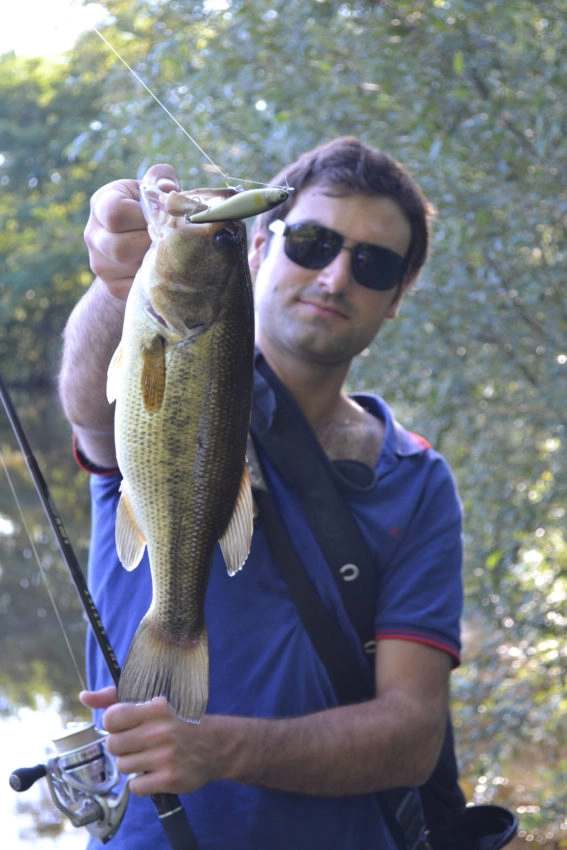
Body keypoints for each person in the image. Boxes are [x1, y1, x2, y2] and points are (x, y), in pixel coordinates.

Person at [59, 136, 463, 850]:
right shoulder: (157, 335)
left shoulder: (417, 480)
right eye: (310, 241)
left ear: (398, 295)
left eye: (373, 263)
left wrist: (221, 750)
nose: (335, 276)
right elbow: (92, 406)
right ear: (256, 250)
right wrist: (115, 284)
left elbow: (411, 736)